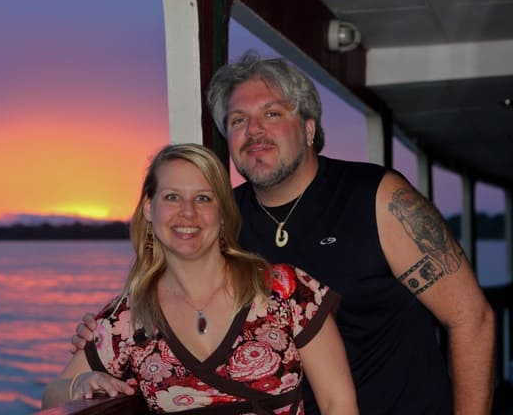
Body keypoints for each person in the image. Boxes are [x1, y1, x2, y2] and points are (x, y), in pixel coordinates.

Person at [71, 52, 495, 414]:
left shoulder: (379, 198)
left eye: (272, 113)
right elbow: (172, 296)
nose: (254, 130)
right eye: (238, 120)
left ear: (309, 129)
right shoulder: (222, 220)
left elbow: (471, 318)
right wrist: (98, 337)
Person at [42, 143, 358, 414]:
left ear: (222, 213)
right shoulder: (128, 318)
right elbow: (51, 397)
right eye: (172, 197)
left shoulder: (285, 290)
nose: (188, 213)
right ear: (150, 209)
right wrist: (79, 385)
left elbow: (337, 403)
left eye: (203, 198)